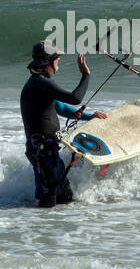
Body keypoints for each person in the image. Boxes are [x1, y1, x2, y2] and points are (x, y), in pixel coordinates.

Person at [20, 42, 107, 207]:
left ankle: (56, 228)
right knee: (50, 196)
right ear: (49, 61)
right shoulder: (40, 82)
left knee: (64, 195)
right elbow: (75, 98)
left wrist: (88, 116)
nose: (59, 59)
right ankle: (41, 229)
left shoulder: (39, 83)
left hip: (45, 149)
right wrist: (85, 75)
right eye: (57, 56)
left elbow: (59, 107)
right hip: (42, 150)